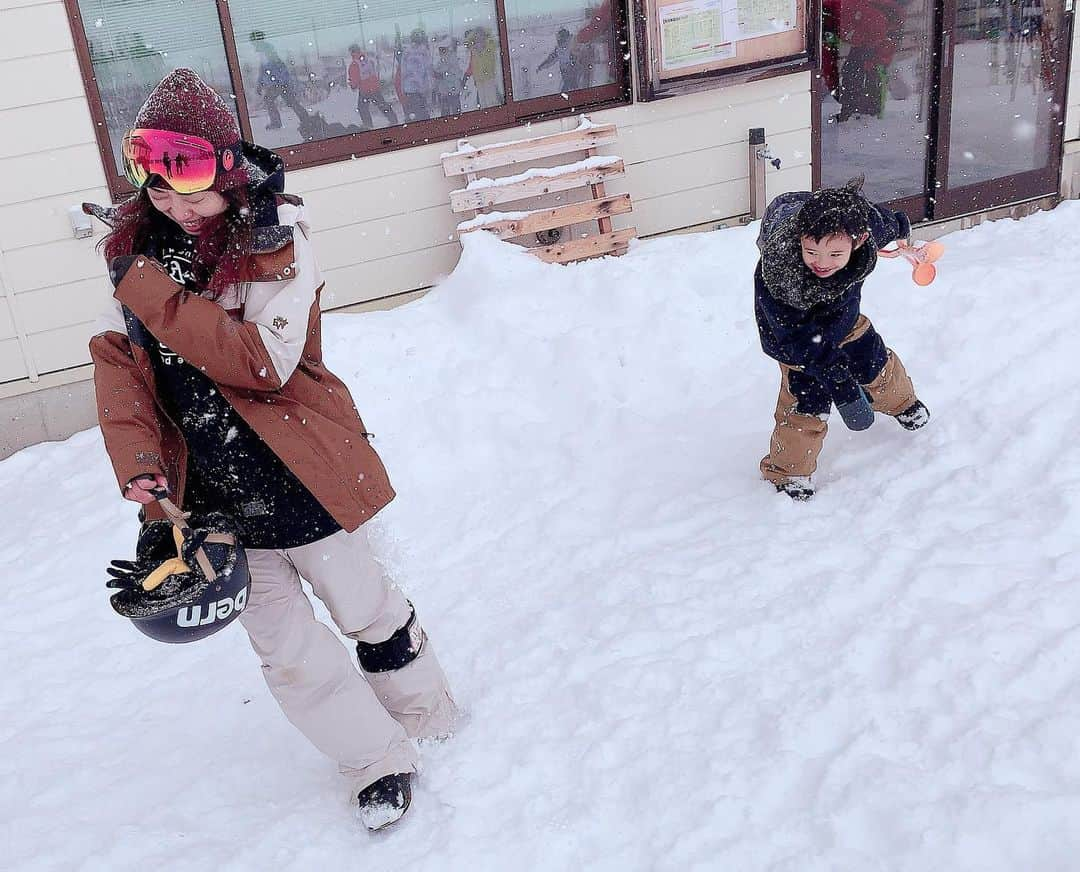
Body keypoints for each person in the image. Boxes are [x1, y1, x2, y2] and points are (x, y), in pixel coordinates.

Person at [87, 69, 457, 831]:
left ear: (230, 174)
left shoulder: (275, 241)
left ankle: (426, 714)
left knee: (368, 609)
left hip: (307, 474)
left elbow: (260, 362)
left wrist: (150, 293)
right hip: (215, 498)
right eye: (159, 189)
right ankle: (374, 761)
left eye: (194, 189)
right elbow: (123, 375)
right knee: (289, 654)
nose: (177, 206)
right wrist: (145, 477)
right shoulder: (136, 260)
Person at [754, 180, 930, 501]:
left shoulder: (863, 226)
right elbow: (797, 338)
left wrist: (901, 228)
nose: (822, 262)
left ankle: (903, 403)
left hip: (843, 318)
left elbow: (879, 220)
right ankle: (789, 470)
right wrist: (840, 385)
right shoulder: (781, 273)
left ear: (859, 240)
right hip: (797, 341)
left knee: (873, 361)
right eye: (811, 252)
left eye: (836, 253)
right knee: (808, 398)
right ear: (799, 240)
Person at [250, 31, 311, 131]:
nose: (252, 44)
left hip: (278, 82)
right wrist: (261, 84)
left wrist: (274, 82)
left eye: (253, 41)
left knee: (271, 100)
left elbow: (273, 67)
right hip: (279, 82)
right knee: (290, 101)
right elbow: (264, 69)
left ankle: (278, 122)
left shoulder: (266, 50)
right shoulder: (264, 51)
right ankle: (305, 120)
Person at [347, 44, 398, 128]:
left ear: (352, 52)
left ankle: (368, 125)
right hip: (374, 87)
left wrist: (352, 85)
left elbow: (354, 80)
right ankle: (393, 119)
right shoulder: (367, 59)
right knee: (382, 105)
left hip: (365, 89)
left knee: (362, 108)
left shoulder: (354, 64)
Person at [400, 28, 434, 122]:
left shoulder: (406, 52)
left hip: (409, 88)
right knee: (422, 113)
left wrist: (402, 89)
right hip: (422, 88)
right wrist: (429, 87)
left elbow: (403, 72)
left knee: (413, 113)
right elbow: (428, 70)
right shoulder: (425, 52)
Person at [463, 27, 501, 109]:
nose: (479, 39)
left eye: (481, 36)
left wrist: (486, 32)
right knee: (483, 103)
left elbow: (492, 39)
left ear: (485, 36)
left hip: (489, 78)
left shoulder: (490, 46)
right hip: (479, 80)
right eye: (476, 37)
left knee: (492, 102)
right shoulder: (474, 50)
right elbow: (466, 43)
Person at [537, 28, 582, 93]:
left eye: (560, 38)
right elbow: (550, 59)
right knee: (569, 85)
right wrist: (541, 66)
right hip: (565, 70)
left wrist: (575, 63)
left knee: (570, 85)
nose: (559, 40)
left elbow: (578, 56)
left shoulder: (572, 45)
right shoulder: (559, 49)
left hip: (572, 70)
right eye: (558, 38)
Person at [433, 37, 465, 117]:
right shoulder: (441, 60)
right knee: (445, 112)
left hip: (453, 89)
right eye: (440, 50)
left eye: (443, 49)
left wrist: (441, 74)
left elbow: (453, 73)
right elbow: (437, 70)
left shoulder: (452, 57)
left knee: (455, 111)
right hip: (445, 91)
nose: (441, 52)